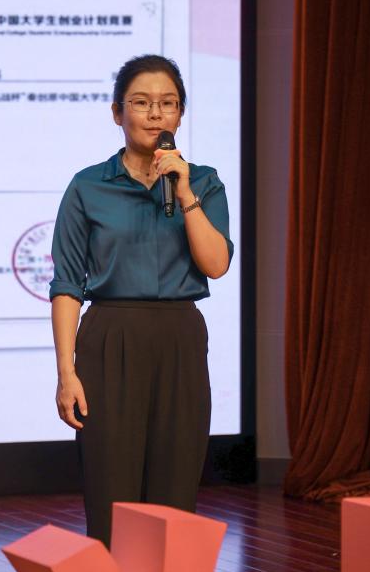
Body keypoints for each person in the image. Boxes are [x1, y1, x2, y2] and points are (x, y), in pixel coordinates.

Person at [48, 54, 233, 546]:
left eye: (167, 103)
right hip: (110, 336)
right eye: (142, 103)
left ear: (180, 114)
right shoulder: (88, 186)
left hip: (179, 336)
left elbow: (216, 264)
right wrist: (66, 372)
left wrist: (185, 193)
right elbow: (66, 285)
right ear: (117, 112)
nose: (155, 114)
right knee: (111, 483)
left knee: (176, 481)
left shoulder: (204, 182)